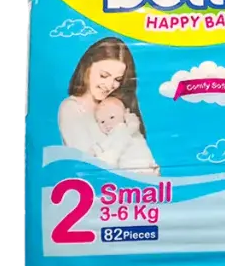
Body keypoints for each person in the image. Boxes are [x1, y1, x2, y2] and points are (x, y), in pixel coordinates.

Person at [58, 37, 157, 173]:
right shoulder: (71, 108)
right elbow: (88, 166)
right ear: (87, 68)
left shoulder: (115, 105)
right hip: (101, 185)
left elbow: (139, 150)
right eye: (104, 75)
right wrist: (124, 132)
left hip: (136, 183)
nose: (110, 85)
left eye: (117, 79)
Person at [94, 96, 158, 173]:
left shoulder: (123, 127)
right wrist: (97, 149)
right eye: (102, 122)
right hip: (131, 166)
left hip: (142, 162)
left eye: (112, 117)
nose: (107, 124)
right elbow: (105, 145)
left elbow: (133, 126)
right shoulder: (113, 135)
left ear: (125, 113)